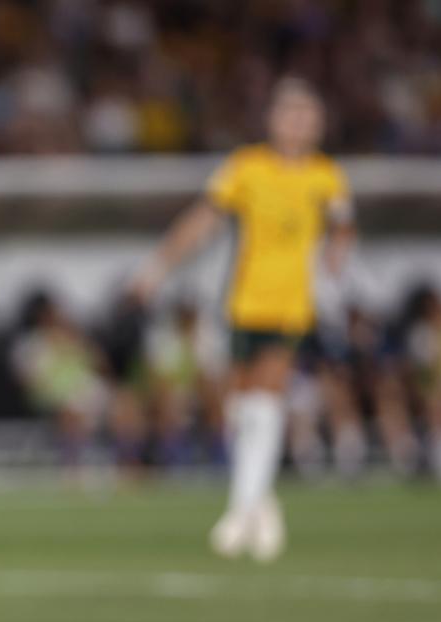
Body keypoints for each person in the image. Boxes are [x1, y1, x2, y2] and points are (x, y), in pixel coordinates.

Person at [131, 78, 357, 562]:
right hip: (240, 303)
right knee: (237, 411)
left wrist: (338, 259)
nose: (297, 122)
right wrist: (156, 269)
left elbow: (342, 227)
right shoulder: (247, 167)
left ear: (318, 123)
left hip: (291, 306)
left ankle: (241, 509)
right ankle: (263, 503)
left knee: (265, 401)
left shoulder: (326, 176)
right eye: (289, 113)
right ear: (273, 119)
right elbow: (202, 221)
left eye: (306, 114)